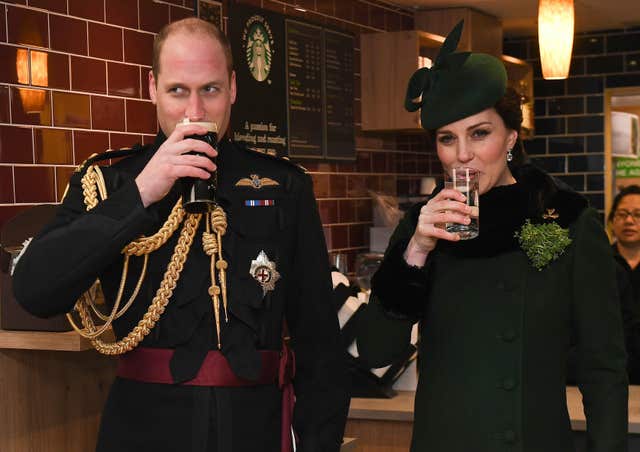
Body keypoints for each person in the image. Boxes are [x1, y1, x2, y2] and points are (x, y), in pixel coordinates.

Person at [12, 18, 348, 452]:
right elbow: (35, 291)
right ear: (152, 88)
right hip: (144, 430)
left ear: (232, 88)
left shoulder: (283, 186)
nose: (195, 112)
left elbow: (321, 346)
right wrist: (142, 194)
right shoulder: (110, 184)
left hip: (254, 429)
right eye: (177, 91)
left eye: (209, 89)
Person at [356, 21, 628, 451]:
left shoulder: (566, 219)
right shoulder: (421, 226)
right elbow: (374, 353)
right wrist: (416, 251)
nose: (462, 154)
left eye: (479, 133)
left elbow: (604, 365)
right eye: (447, 139)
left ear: (510, 139)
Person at [609, 185, 640, 383]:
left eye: (638, 214)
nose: (629, 220)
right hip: (610, 372)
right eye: (622, 214)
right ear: (612, 222)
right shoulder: (598, 263)